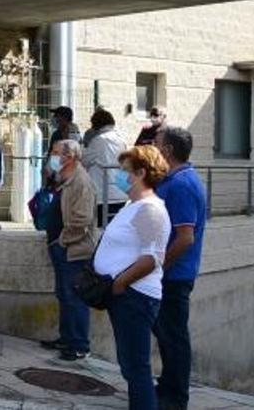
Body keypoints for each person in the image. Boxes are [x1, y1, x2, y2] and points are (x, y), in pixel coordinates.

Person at [96, 145, 172, 409]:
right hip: (127, 296)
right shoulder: (134, 205)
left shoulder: (149, 210)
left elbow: (151, 258)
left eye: (124, 170)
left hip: (135, 297)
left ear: (140, 173)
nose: (119, 174)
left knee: (136, 367)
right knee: (130, 365)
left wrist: (120, 284)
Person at [153, 127, 207, 410]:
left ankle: (175, 398)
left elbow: (186, 237)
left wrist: (160, 268)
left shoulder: (182, 184)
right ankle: (167, 386)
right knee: (167, 335)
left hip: (174, 276)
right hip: (170, 274)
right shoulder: (173, 180)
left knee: (174, 337)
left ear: (168, 151)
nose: (153, 148)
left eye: (156, 144)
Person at [41, 140, 99, 361]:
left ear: (70, 157)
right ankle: (66, 338)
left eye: (56, 153)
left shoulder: (81, 182)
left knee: (74, 297)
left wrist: (62, 242)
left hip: (73, 250)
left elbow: (81, 221)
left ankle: (79, 345)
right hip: (61, 247)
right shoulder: (64, 179)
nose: (52, 157)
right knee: (64, 295)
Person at [83, 109, 128, 226]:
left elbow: (85, 160)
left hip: (103, 193)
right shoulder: (121, 139)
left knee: (101, 228)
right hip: (121, 191)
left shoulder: (99, 141)